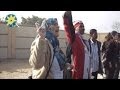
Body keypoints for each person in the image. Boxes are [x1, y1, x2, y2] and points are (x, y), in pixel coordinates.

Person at [63, 11, 91, 79]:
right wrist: (67, 18)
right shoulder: (74, 37)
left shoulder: (83, 40)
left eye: (83, 26)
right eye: (80, 26)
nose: (83, 28)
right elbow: (69, 29)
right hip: (78, 73)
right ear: (75, 28)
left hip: (86, 72)